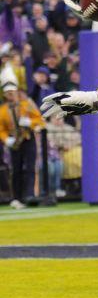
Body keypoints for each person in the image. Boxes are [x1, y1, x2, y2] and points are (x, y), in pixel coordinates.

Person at [0, 80, 44, 208]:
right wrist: (5, 139)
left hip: (27, 138)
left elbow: (40, 120)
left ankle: (29, 195)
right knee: (16, 170)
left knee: (30, 168)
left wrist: (30, 122)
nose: (10, 95)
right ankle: (16, 197)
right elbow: (1, 128)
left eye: (12, 92)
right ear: (5, 95)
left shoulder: (27, 104)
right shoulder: (2, 110)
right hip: (14, 142)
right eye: (8, 93)